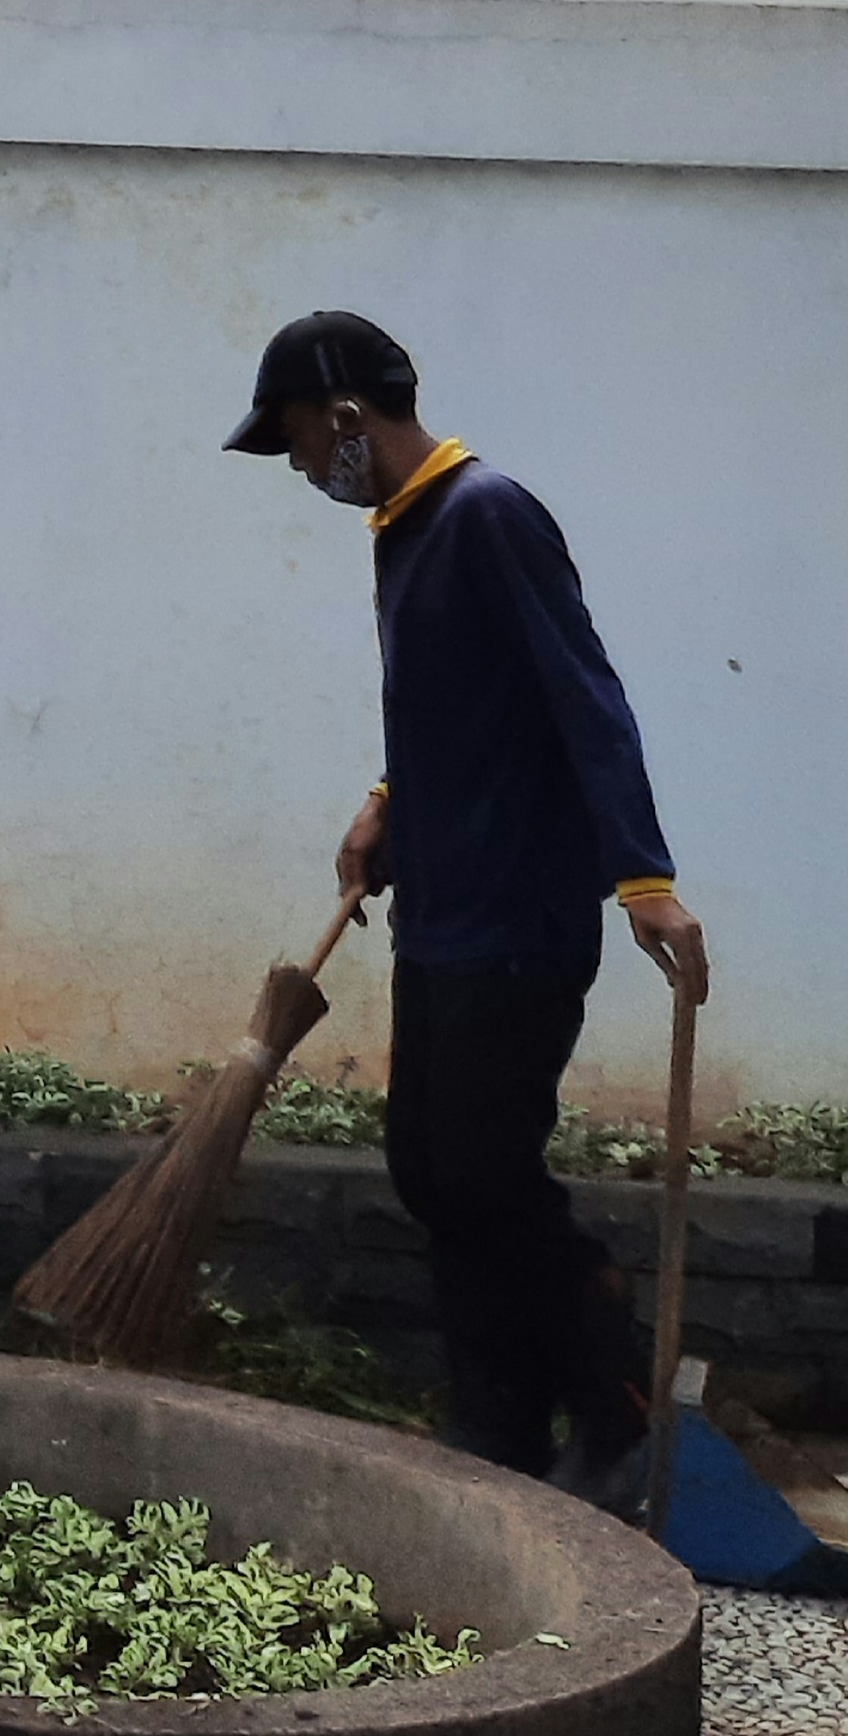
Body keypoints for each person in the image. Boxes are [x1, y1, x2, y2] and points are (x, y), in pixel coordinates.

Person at [237, 311, 705, 1488]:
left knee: (486, 1172)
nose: (300, 464)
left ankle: (615, 1403)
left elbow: (582, 692)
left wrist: (643, 876)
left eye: (298, 435)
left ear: (348, 413)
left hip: (519, 916)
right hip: (444, 909)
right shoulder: (406, 527)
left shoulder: (488, 512)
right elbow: (456, 697)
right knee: (430, 1171)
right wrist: (388, 798)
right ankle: (501, 1428)